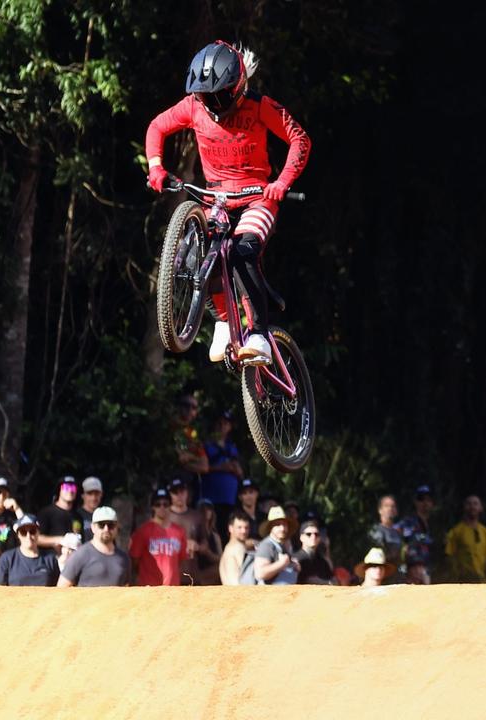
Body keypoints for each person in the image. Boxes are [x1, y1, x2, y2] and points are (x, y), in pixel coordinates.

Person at [145, 40, 312, 365]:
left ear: (237, 88)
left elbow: (299, 139)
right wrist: (155, 166)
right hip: (216, 198)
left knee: (241, 251)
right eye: (205, 97)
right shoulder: (192, 107)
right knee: (198, 258)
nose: (212, 104)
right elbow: (157, 127)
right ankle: (223, 321)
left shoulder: (260, 106)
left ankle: (260, 334)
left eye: (219, 96)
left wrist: (281, 183)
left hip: (256, 199)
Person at [58, 506, 131, 587]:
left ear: (117, 527)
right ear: (93, 527)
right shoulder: (80, 555)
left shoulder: (124, 558)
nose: (106, 529)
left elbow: (125, 590)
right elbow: (62, 589)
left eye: (111, 525)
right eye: (101, 525)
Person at [129, 488, 189, 586]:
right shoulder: (143, 531)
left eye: (165, 504)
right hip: (149, 588)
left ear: (170, 506)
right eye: (158, 504)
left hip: (172, 588)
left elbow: (181, 560)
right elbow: (134, 560)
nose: (162, 507)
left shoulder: (179, 531)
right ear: (153, 507)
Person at [202, 409, 243, 528]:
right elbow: (201, 468)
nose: (222, 426)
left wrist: (236, 470)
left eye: (226, 423)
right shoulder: (206, 444)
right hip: (211, 498)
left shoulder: (232, 447)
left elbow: (240, 471)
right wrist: (221, 468)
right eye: (219, 423)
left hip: (230, 499)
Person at [0, 515, 61, 586]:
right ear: (18, 535)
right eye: (23, 532)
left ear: (38, 533)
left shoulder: (50, 559)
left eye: (32, 531)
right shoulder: (7, 558)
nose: (28, 536)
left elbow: (58, 588)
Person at [445, 495, 486, 582]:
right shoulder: (456, 531)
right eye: (469, 504)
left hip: (481, 579)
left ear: (481, 508)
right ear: (464, 507)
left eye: (475, 504)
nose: (472, 507)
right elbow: (450, 555)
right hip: (463, 579)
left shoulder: (485, 532)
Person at [395, 485, 435, 584]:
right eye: (421, 499)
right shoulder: (408, 522)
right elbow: (394, 533)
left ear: (432, 503)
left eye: (428, 499)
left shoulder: (435, 524)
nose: (425, 503)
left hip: (429, 570)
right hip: (411, 571)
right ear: (416, 501)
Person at [253, 506, 299, 585]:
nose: (282, 528)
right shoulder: (266, 545)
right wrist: (281, 564)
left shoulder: (282, 545)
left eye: (284, 524)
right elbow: (260, 573)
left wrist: (293, 565)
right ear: (270, 527)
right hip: (269, 595)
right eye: (278, 525)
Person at [37, 476, 82, 551]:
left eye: (73, 488)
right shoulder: (46, 513)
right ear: (59, 490)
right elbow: (36, 538)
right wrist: (60, 540)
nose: (70, 491)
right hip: (51, 560)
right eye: (66, 487)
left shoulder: (78, 516)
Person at [294, 519, 334, 584]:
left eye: (316, 534)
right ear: (301, 537)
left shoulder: (322, 561)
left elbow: (333, 579)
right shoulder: (296, 559)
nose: (313, 537)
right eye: (308, 534)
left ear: (320, 538)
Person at [193, 499, 224, 585]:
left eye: (209, 509)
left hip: (213, 571)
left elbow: (221, 558)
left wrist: (208, 553)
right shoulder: (194, 533)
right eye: (202, 509)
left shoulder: (215, 535)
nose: (206, 512)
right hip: (198, 572)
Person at [368, 494, 404, 567]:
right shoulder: (376, 530)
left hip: (397, 573)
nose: (390, 508)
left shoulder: (398, 532)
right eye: (386, 506)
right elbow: (379, 555)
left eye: (393, 506)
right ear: (380, 510)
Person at [219, 513, 252, 586]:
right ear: (230, 528)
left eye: (246, 527)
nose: (244, 531)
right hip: (239, 593)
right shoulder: (236, 548)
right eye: (239, 527)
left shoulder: (229, 548)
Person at [78, 476, 103, 541]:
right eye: (90, 494)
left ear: (101, 494)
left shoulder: (105, 516)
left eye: (96, 494)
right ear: (82, 495)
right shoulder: (75, 515)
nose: (93, 498)